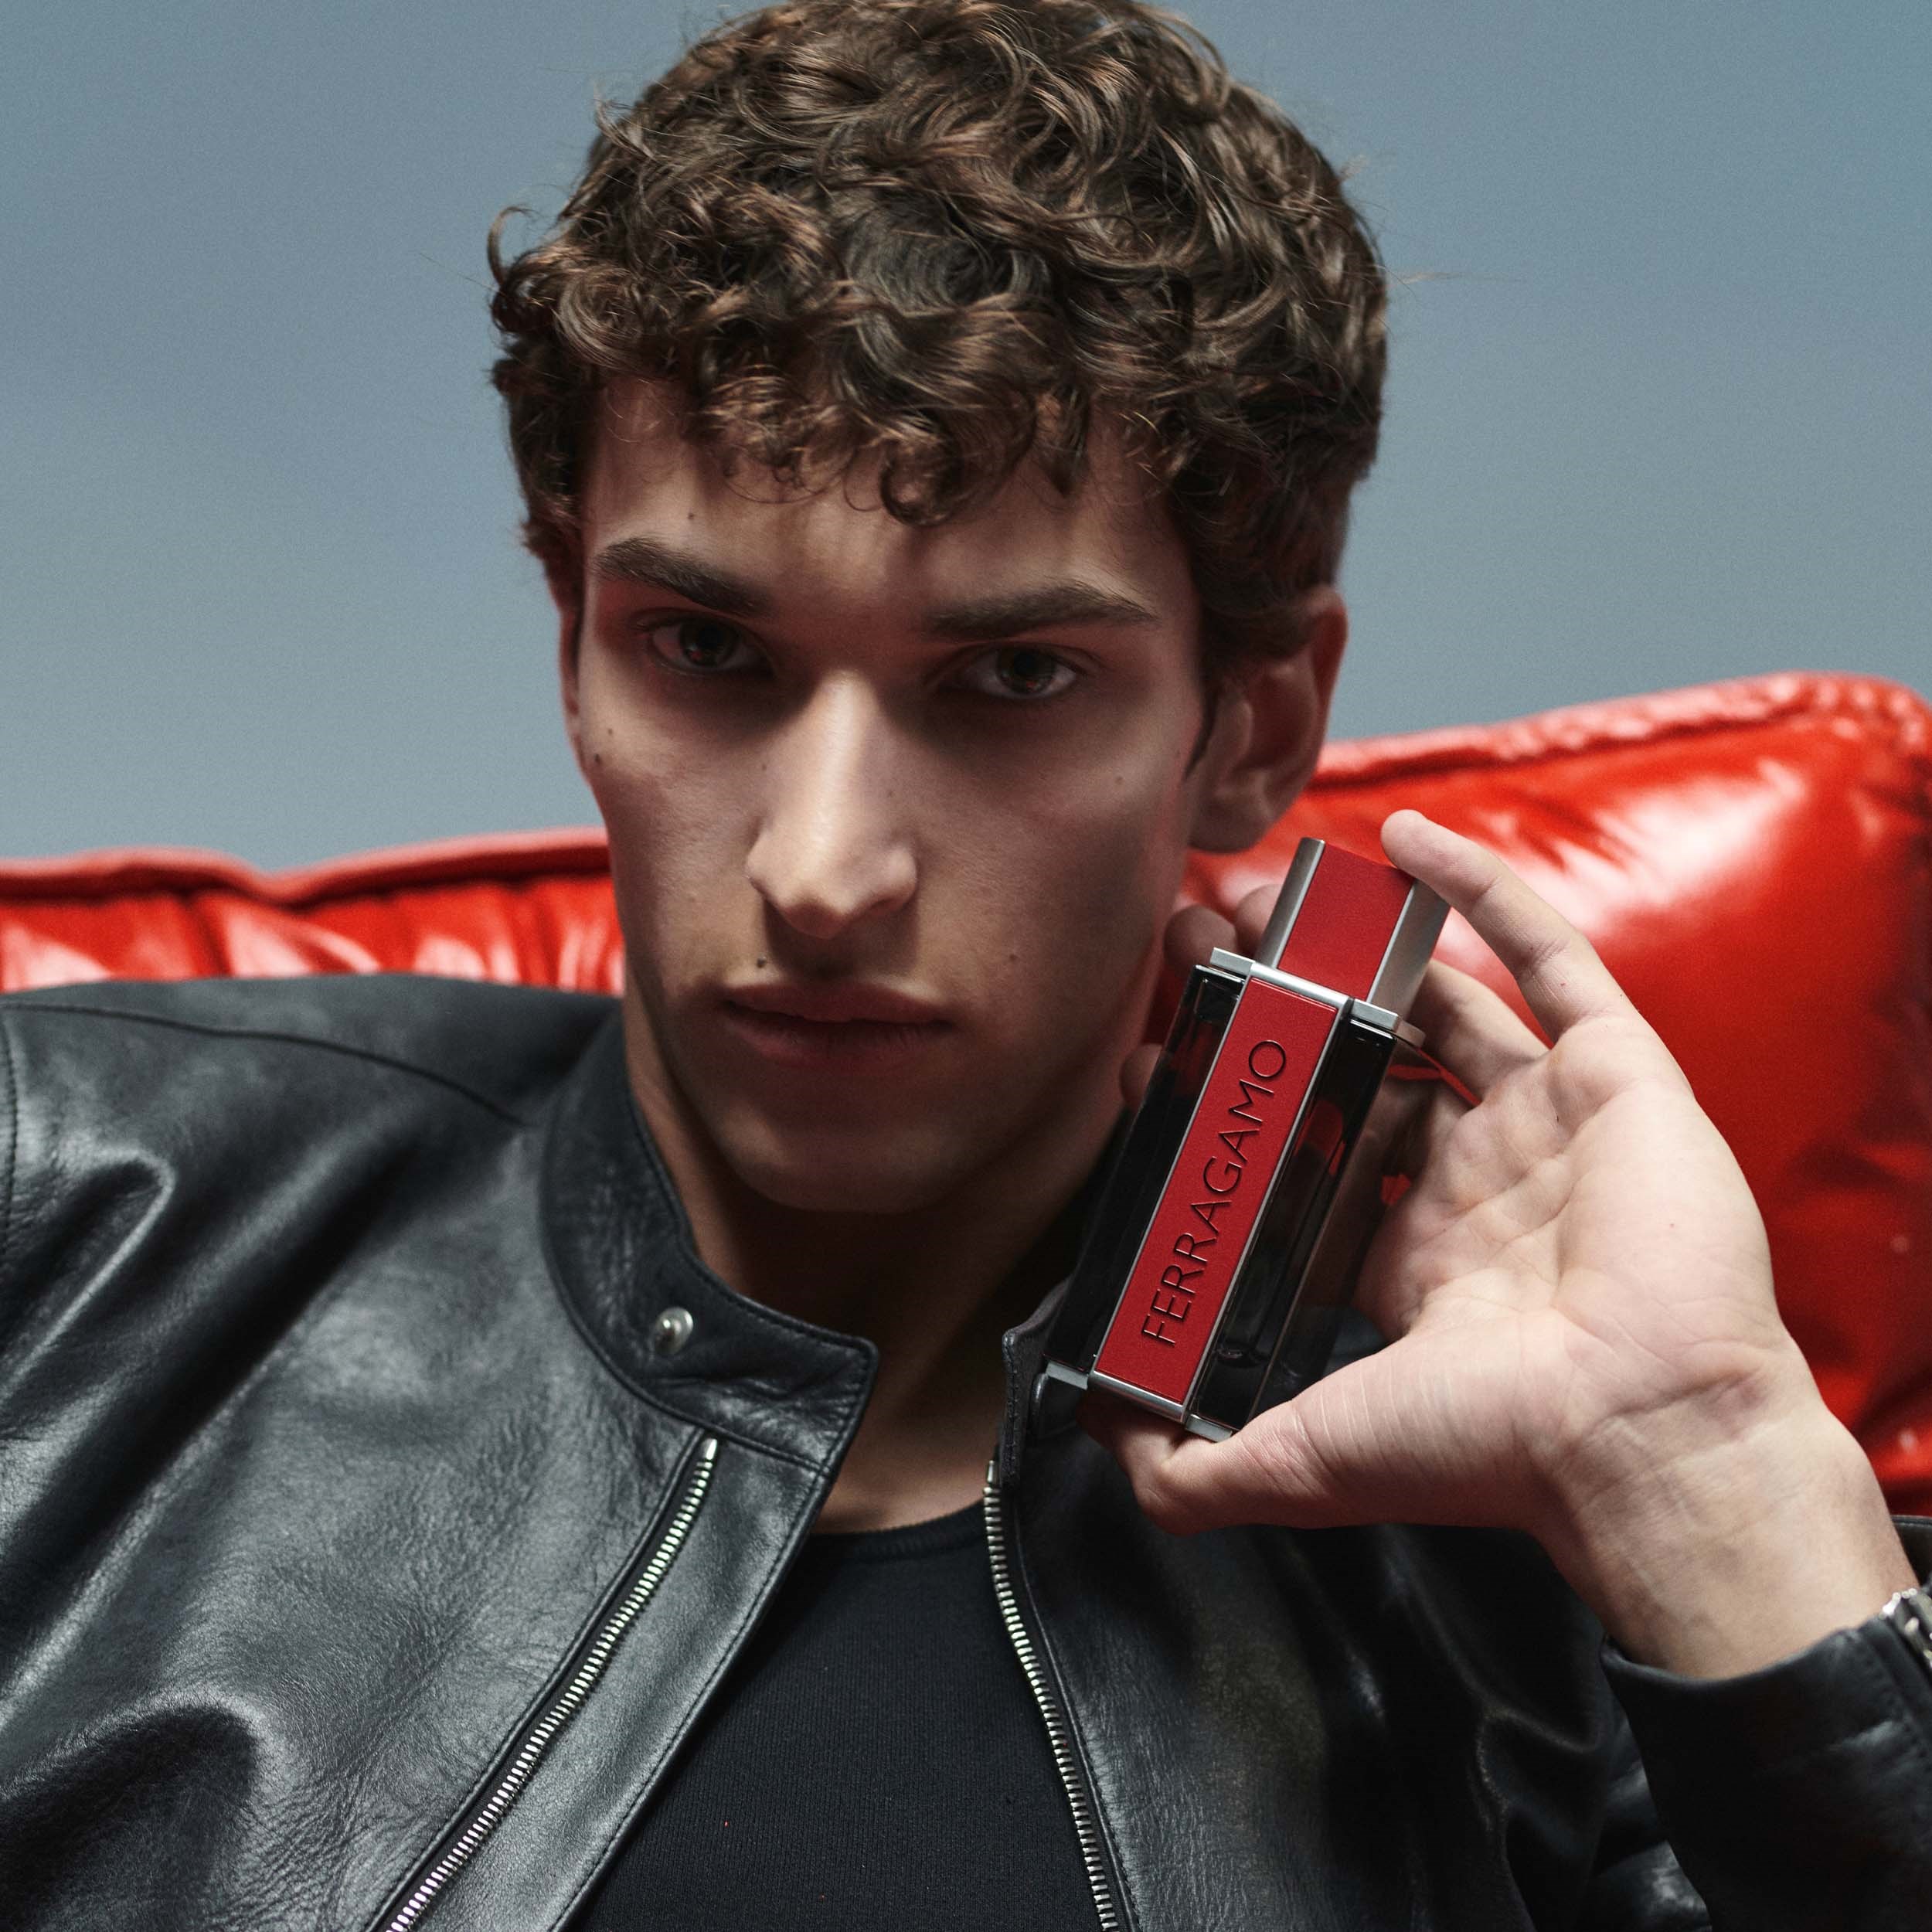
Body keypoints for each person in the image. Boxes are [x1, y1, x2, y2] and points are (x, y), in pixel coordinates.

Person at [2, 1, 1927, 1926]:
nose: (822, 871)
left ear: (1250, 726)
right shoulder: (69, 1207)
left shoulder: (1542, 1538)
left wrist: (1707, 1475)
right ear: (572, 640)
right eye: (704, 649)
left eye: (1010, 676)